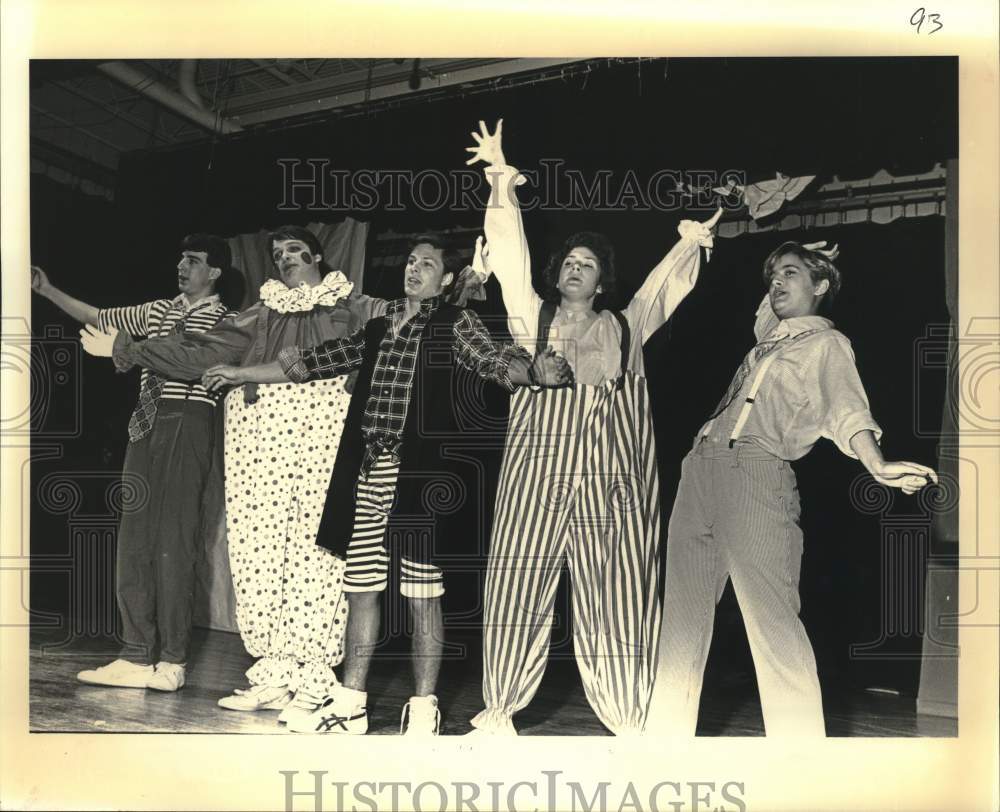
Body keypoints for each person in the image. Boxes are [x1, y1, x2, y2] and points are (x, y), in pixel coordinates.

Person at [199, 234, 572, 735]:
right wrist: (240, 370)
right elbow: (310, 364)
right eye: (411, 261)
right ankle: (350, 702)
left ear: (445, 280)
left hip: (418, 477)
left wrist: (534, 374)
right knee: (362, 589)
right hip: (370, 473)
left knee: (422, 593)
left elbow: (493, 360)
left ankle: (424, 707)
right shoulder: (377, 328)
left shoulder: (453, 322)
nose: (414, 270)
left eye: (427, 264)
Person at [463, 120, 721, 735]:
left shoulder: (628, 326)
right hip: (537, 475)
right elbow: (510, 251)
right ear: (558, 275)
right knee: (517, 584)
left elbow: (665, 285)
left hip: (614, 483)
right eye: (569, 262)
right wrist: (501, 180)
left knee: (620, 594)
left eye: (587, 264)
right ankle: (499, 712)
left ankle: (627, 718)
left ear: (602, 279)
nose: (576, 268)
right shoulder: (532, 314)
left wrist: (692, 242)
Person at [79, 225, 383, 725]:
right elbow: (199, 356)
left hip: (322, 435)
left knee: (316, 554)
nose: (284, 258)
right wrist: (127, 349)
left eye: (292, 250)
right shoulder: (256, 315)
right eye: (276, 252)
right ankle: (275, 671)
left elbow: (401, 320)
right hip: (259, 440)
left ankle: (312, 679)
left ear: (318, 255)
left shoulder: (349, 307)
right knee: (259, 550)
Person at [645, 240, 939, 736]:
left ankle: (800, 757)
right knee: (680, 619)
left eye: (791, 275)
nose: (777, 284)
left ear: (821, 287)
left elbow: (845, 408)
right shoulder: (770, 340)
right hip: (699, 470)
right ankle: (663, 745)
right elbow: (769, 313)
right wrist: (790, 262)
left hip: (757, 474)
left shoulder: (827, 345)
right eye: (772, 277)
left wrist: (876, 462)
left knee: (772, 621)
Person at [32, 234, 237, 692]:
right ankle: (136, 654)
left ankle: (173, 660)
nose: (182, 266)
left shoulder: (225, 319)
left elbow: (189, 362)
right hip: (146, 424)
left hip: (189, 421)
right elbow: (99, 318)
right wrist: (46, 290)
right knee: (134, 542)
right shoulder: (158, 310)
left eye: (194, 260)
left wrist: (124, 349)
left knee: (174, 543)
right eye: (181, 258)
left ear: (215, 272)